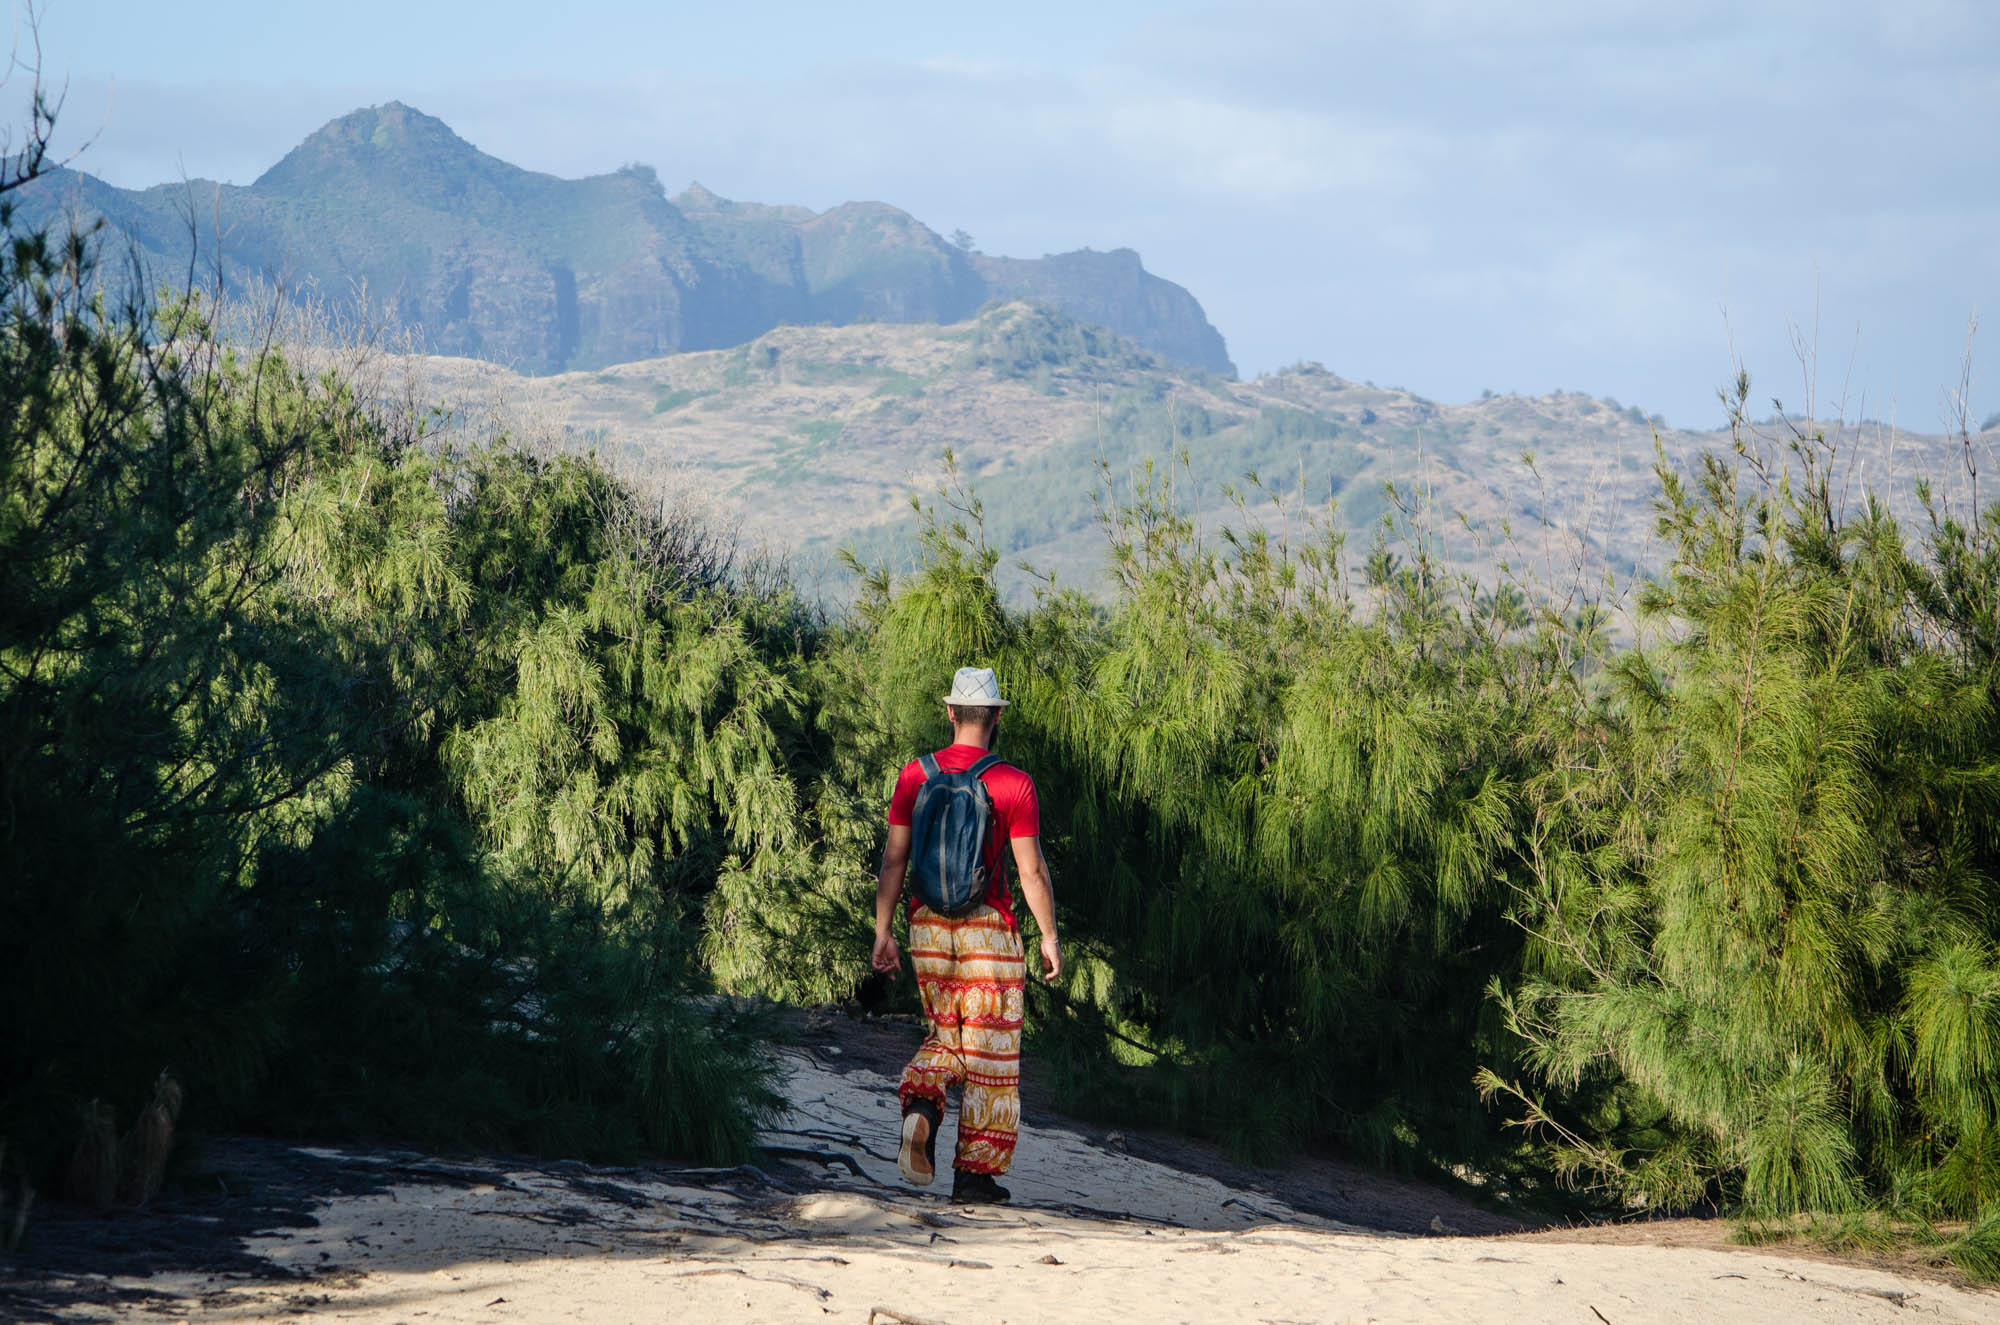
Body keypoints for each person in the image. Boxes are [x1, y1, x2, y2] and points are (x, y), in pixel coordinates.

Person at [872, 666, 1061, 1205]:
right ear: (996, 717)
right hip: (988, 931)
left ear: (951, 712)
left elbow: (893, 860)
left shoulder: (915, 774)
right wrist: (1048, 935)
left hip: (927, 926)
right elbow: (1031, 873)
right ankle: (974, 1178)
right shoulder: (1013, 783)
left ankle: (922, 1110)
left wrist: (884, 931)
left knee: (945, 1038)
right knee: (990, 1054)